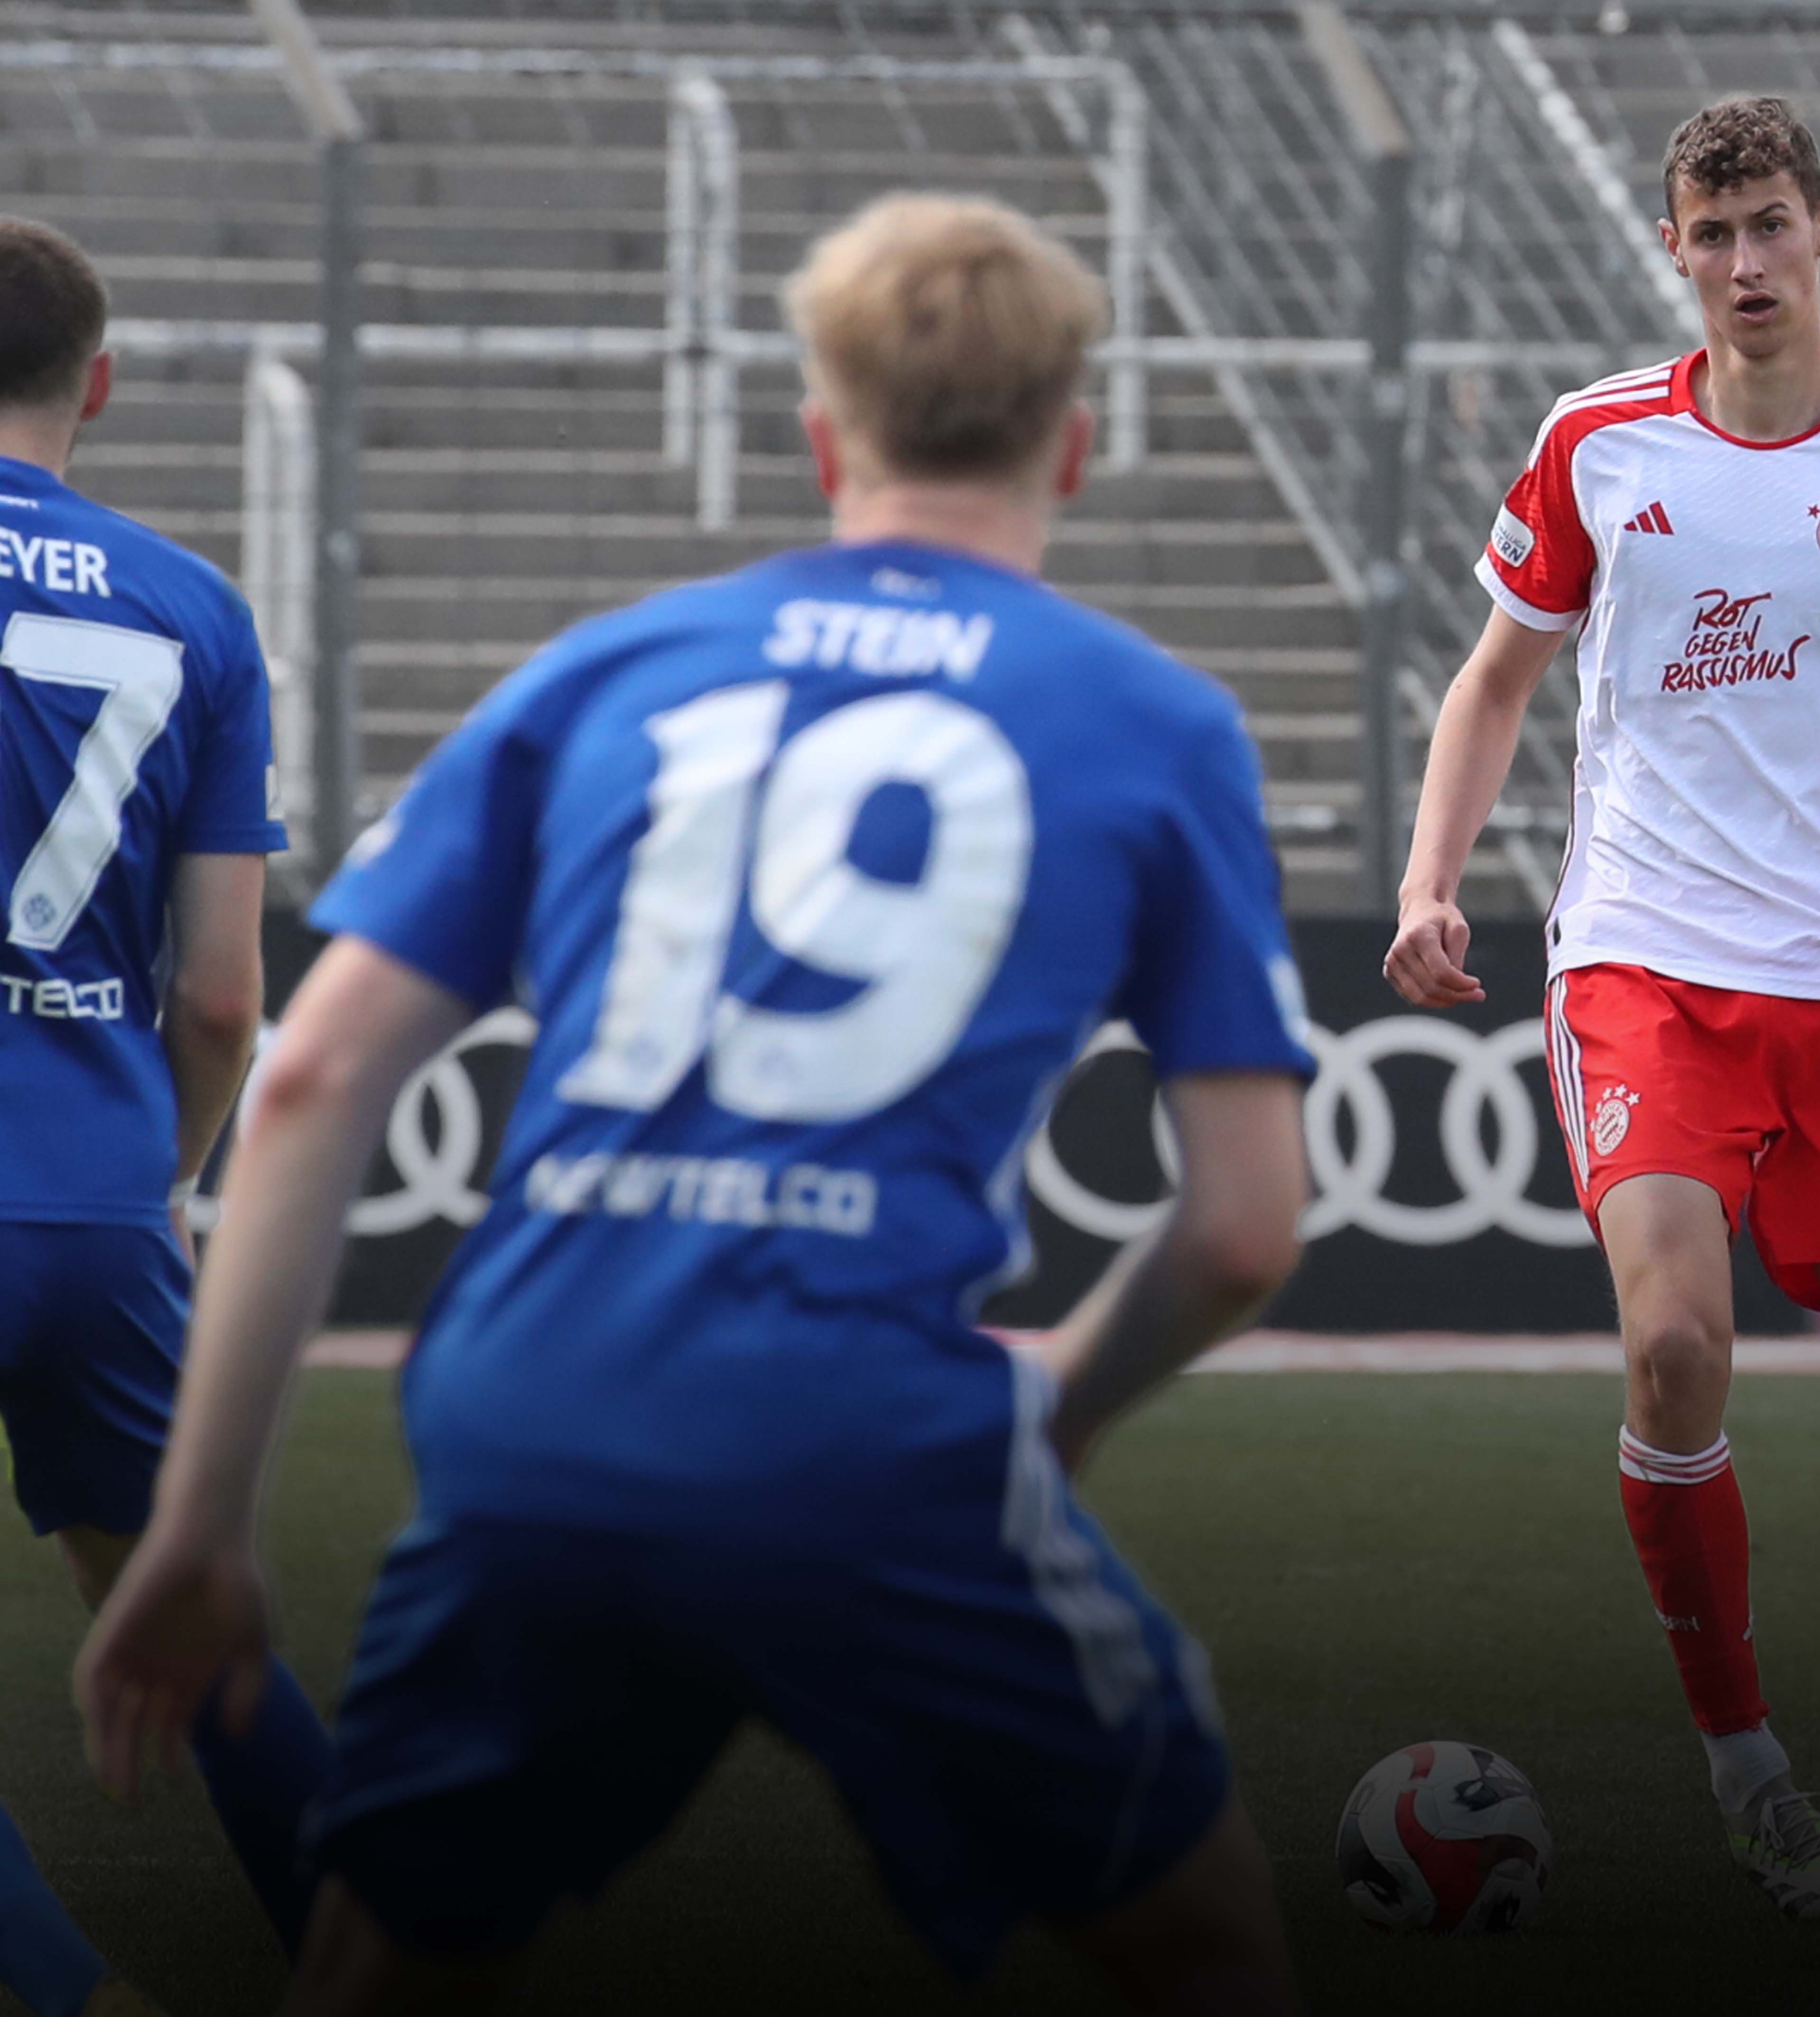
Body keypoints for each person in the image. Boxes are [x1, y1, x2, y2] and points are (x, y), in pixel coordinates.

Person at [75, 193, 1314, 2013]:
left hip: (533, 1414)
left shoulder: (610, 667)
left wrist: (200, 1530)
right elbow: (1237, 1226)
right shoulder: (1155, 720)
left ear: (819, 435)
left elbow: (320, 1068)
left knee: (371, 1968)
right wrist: (1054, 1404)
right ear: (1077, 438)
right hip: (867, 1436)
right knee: (1203, 1942)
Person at [1384, 94, 1820, 1922]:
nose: (1746, 263)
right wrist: (1433, 880)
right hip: (1644, 970)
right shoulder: (1597, 442)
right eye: (1712, 234)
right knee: (1674, 1345)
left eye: (1772, 225)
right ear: (1673, 252)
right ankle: (1753, 1780)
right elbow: (1495, 678)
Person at [0, 213, 329, 2017]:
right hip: (98, 1195)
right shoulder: (194, 606)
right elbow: (222, 990)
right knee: (199, 1631)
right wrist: (167, 1179)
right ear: (99, 385)